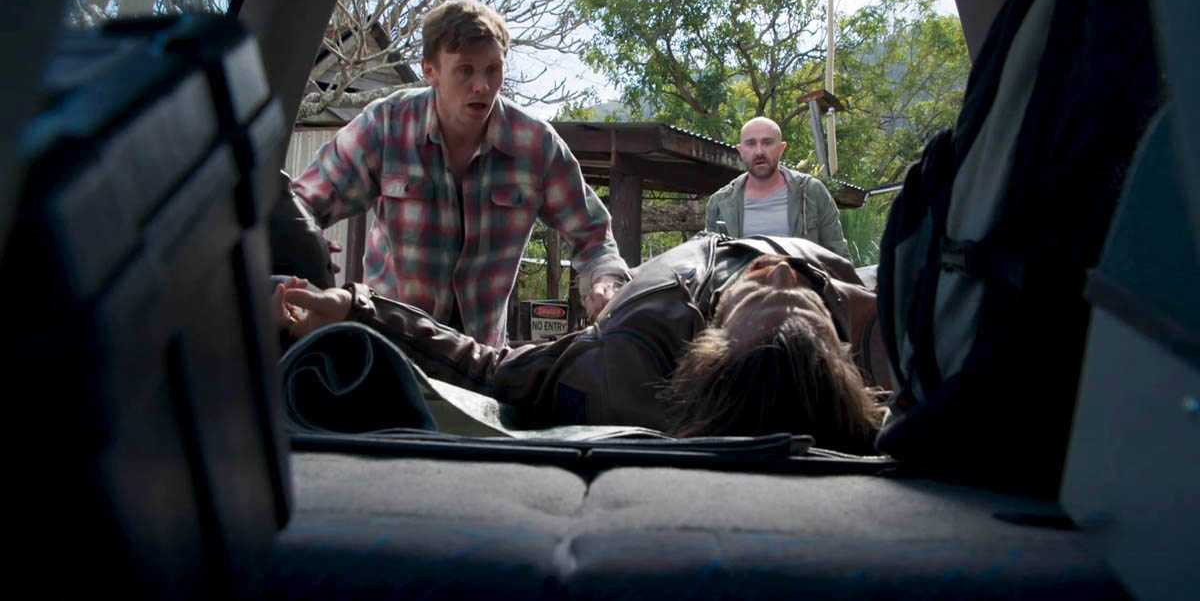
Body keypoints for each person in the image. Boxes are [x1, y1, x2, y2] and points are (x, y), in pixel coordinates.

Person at [274, 233, 890, 453]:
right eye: (805, 301)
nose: (780, 272)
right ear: (843, 356)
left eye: (757, 295)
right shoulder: (875, 336)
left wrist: (358, 308)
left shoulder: (624, 357)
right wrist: (848, 302)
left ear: (711, 343)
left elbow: (488, 369)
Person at [289, 0, 629, 347]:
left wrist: (605, 280)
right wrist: (304, 240)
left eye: (493, 69)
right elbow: (301, 204)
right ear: (430, 71)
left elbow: (594, 235)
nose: (482, 85)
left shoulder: (535, 145)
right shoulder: (386, 125)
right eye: (466, 70)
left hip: (481, 357)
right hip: (390, 345)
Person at [706, 117, 850, 258]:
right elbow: (710, 261)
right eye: (751, 144)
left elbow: (838, 255)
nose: (759, 152)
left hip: (803, 274)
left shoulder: (810, 191)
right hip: (741, 275)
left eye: (767, 142)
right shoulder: (720, 203)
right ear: (741, 150)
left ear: (781, 148)